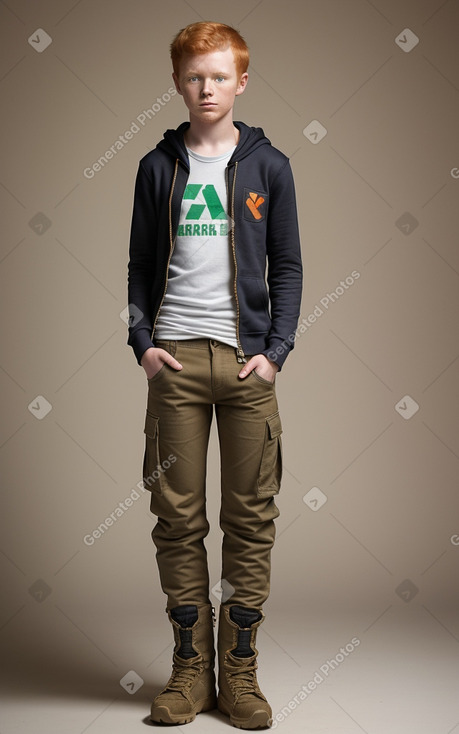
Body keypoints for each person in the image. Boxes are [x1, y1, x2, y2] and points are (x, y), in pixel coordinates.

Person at [127, 20, 302, 730]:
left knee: (250, 521)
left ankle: (240, 675)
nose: (207, 88)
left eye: (220, 76)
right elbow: (138, 266)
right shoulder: (154, 166)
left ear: (242, 82)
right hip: (175, 361)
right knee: (176, 519)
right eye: (195, 76)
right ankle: (188, 672)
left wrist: (277, 350)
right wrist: (141, 341)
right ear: (177, 82)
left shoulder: (271, 166)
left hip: (245, 363)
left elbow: (287, 266)